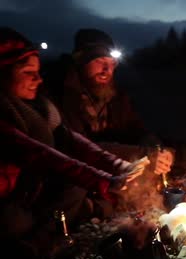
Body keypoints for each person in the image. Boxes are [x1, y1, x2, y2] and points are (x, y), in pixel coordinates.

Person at [0, 27, 148, 259]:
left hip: (32, 187)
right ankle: (32, 248)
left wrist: (121, 166)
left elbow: (73, 141)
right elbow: (43, 155)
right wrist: (105, 180)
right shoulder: (14, 110)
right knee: (15, 222)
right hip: (9, 196)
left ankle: (44, 236)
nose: (38, 80)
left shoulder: (40, 106)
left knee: (73, 188)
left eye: (111, 64)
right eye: (27, 73)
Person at [47, 28, 174, 213]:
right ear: (80, 61)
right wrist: (142, 155)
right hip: (72, 174)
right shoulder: (60, 95)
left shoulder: (116, 97)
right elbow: (79, 148)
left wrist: (156, 148)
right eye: (99, 61)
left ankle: (104, 206)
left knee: (148, 172)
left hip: (111, 171)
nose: (107, 69)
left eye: (112, 63)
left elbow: (137, 130)